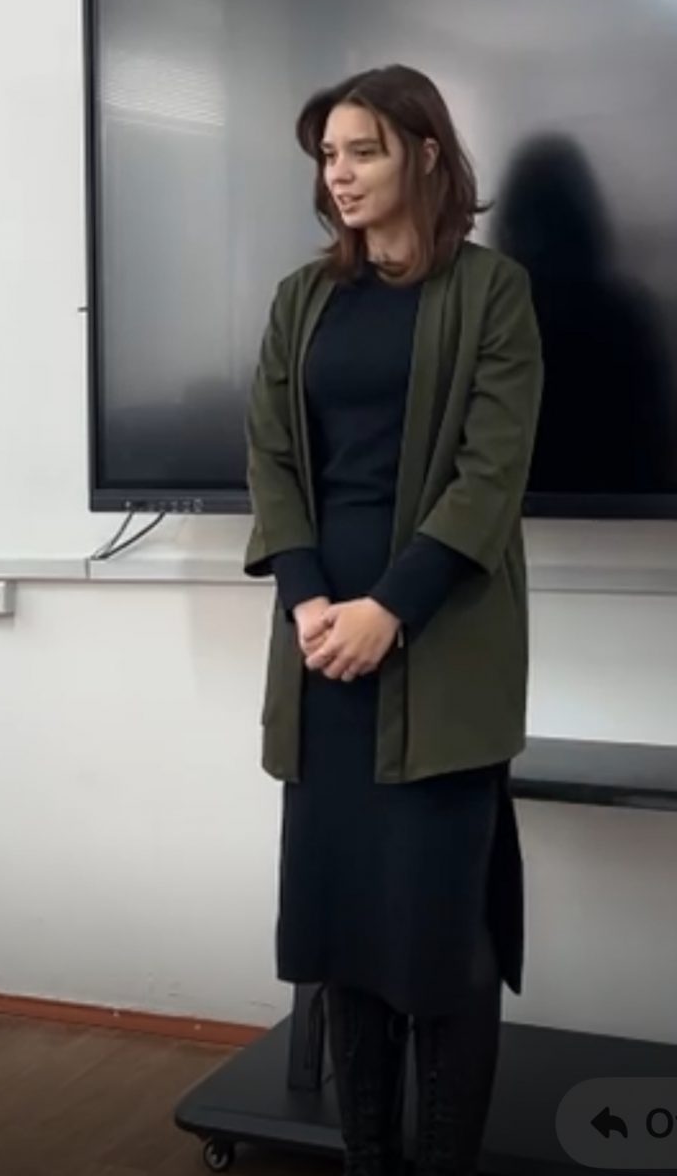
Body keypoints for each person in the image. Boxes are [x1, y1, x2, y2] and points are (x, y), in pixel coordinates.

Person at [243, 64, 543, 1176]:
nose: (339, 174)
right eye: (327, 155)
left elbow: (489, 474)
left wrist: (390, 610)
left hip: (441, 644)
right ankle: (367, 1159)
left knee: (441, 938)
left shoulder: (492, 291)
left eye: (361, 150)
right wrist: (312, 602)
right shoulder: (302, 298)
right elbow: (271, 458)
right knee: (344, 932)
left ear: (423, 152)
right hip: (322, 651)